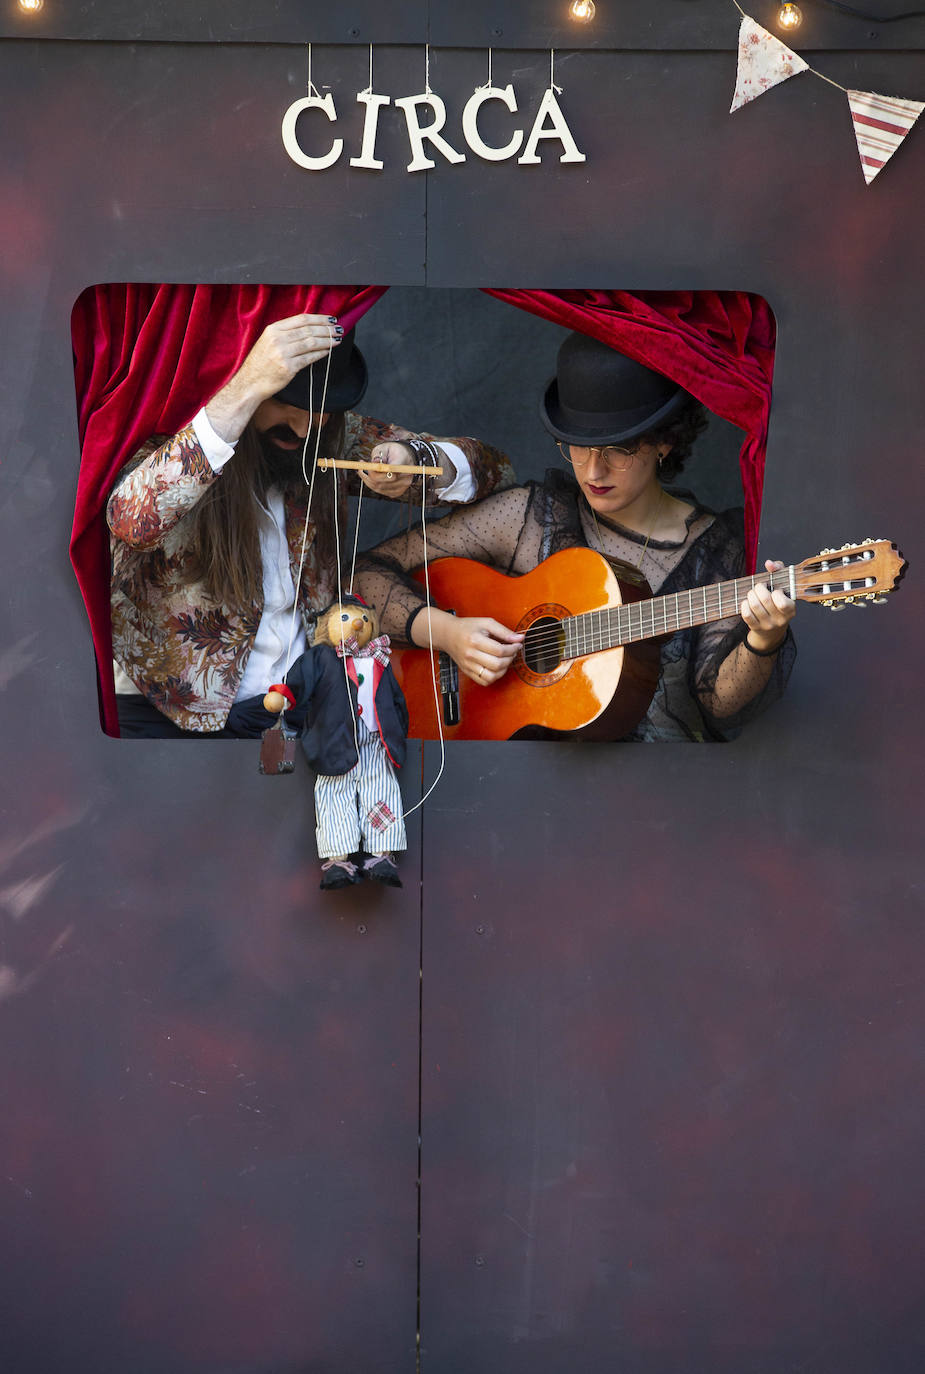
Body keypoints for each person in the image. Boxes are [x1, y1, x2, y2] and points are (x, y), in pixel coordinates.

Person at [353, 331, 796, 742]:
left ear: (664, 442)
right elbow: (362, 577)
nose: (592, 471)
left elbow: (719, 701)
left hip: (656, 799)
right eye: (578, 447)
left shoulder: (711, 551)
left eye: (618, 450)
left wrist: (763, 639)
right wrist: (447, 632)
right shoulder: (531, 517)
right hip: (508, 792)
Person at [107, 312, 515, 737]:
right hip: (167, 721)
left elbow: (495, 471)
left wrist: (416, 464)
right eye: (286, 402)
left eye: (319, 410)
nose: (303, 428)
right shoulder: (174, 437)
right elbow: (132, 521)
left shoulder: (329, 434)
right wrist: (245, 386)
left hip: (302, 719)